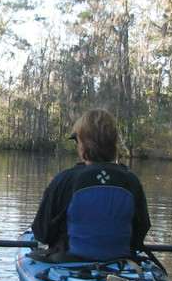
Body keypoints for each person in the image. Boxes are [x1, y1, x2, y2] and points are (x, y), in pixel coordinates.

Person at [30, 108, 151, 262]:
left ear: (82, 144)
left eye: (77, 140)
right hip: (120, 263)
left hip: (69, 263)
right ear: (113, 143)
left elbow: (42, 233)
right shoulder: (131, 181)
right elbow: (141, 230)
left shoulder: (64, 180)